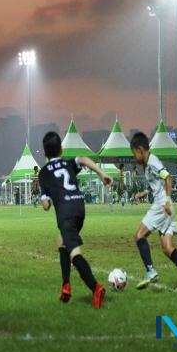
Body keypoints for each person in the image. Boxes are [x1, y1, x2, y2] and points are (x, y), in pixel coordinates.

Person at [38, 131, 111, 308]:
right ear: (61, 150)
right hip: (79, 207)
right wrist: (102, 174)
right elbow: (83, 159)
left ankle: (96, 287)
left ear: (45, 153)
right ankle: (66, 285)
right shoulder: (67, 163)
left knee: (74, 253)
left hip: (66, 213)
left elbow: (46, 206)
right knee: (61, 243)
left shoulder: (43, 173)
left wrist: (45, 199)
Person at [130, 132, 177, 293]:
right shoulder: (148, 165)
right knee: (167, 248)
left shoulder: (153, 162)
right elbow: (157, 182)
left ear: (140, 149)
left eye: (134, 153)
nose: (135, 157)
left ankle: (150, 271)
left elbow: (168, 178)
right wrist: (144, 192)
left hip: (162, 205)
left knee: (139, 235)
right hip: (165, 206)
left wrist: (167, 200)